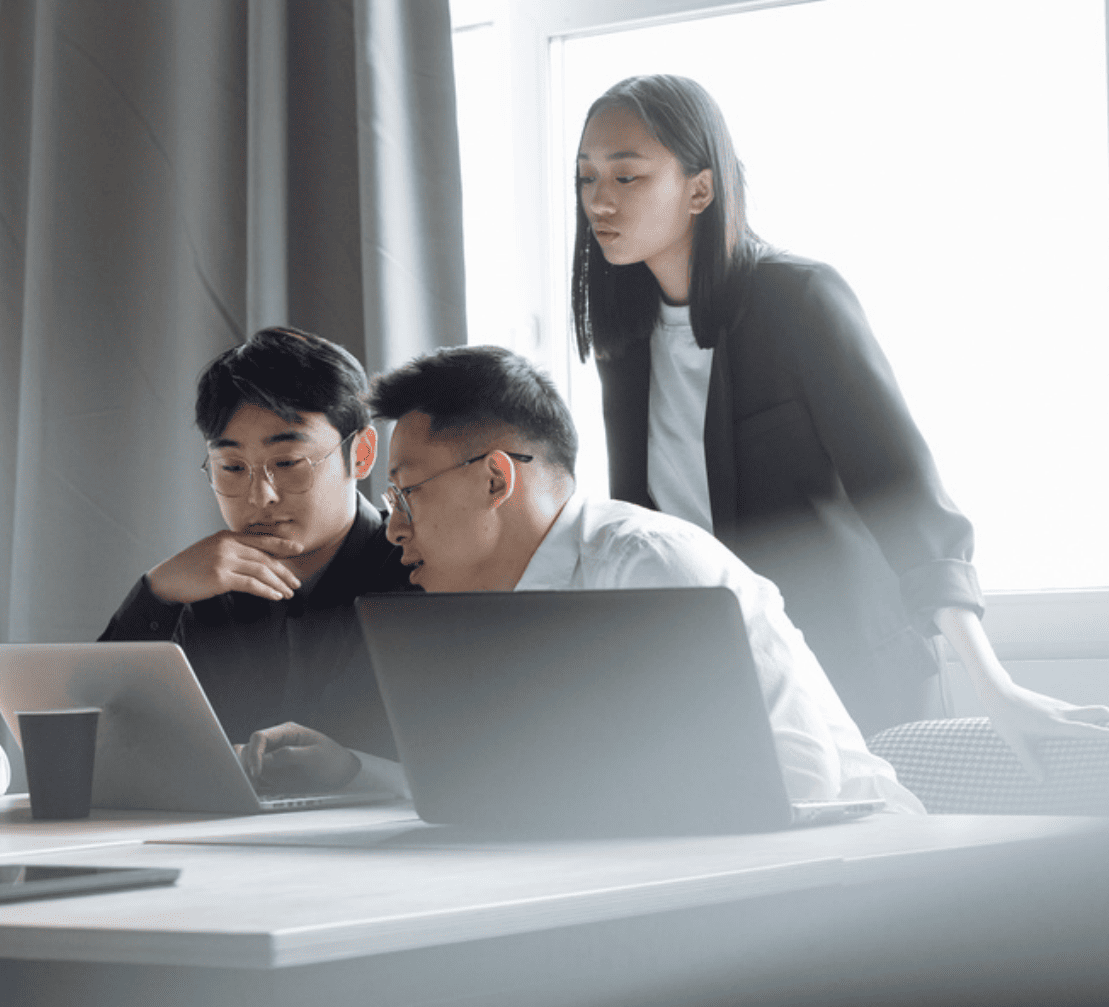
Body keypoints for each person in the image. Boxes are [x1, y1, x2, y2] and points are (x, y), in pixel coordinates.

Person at [571, 73, 1109, 769]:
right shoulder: (623, 340)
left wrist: (992, 685)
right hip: (715, 681)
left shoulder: (797, 298)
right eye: (586, 178)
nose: (599, 200)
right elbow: (650, 527)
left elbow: (903, 494)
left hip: (853, 670)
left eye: (626, 176)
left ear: (699, 189)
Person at [367, 343, 923, 814]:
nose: (393, 529)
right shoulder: (490, 604)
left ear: (495, 479)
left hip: (861, 863)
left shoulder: (648, 564)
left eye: (406, 494)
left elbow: (800, 780)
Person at [99, 326, 412, 795]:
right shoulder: (199, 590)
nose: (260, 496)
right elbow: (99, 746)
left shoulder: (419, 572)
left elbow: (473, 772)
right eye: (232, 468)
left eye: (287, 463)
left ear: (361, 453)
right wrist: (156, 593)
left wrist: (354, 771)